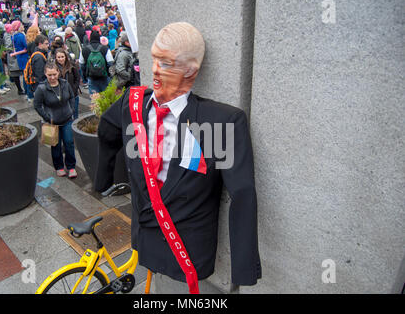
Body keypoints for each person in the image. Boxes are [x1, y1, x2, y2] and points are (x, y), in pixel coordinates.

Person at [94, 22, 261, 292]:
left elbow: (242, 192)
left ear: (190, 70)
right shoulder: (131, 103)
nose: (156, 70)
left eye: (167, 63)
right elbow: (107, 128)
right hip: (143, 236)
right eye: (154, 58)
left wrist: (243, 268)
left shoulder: (222, 122)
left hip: (189, 250)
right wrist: (104, 180)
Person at [34, 62, 77, 178]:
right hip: (53, 122)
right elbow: (37, 105)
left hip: (67, 119)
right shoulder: (41, 89)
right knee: (56, 145)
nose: (52, 77)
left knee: (69, 143)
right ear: (45, 74)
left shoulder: (64, 84)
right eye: (49, 75)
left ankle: (71, 166)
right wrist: (47, 117)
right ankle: (59, 167)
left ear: (58, 72)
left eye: (54, 74)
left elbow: (72, 96)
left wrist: (72, 109)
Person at [81, 30, 113, 94]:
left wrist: (84, 78)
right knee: (106, 98)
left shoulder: (84, 50)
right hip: (104, 77)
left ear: (90, 38)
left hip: (91, 77)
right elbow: (110, 63)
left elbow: (81, 65)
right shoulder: (105, 49)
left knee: (95, 100)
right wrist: (110, 76)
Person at [54, 48, 80, 119]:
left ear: (65, 57)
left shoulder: (71, 65)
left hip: (73, 94)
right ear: (56, 58)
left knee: (75, 114)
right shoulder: (54, 68)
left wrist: (74, 89)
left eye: (62, 57)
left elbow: (77, 78)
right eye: (58, 57)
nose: (61, 59)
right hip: (61, 96)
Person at [9, 20, 28, 96]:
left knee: (23, 73)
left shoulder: (14, 35)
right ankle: (27, 90)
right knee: (26, 74)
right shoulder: (21, 35)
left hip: (19, 56)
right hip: (24, 56)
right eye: (22, 25)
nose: (23, 26)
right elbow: (26, 46)